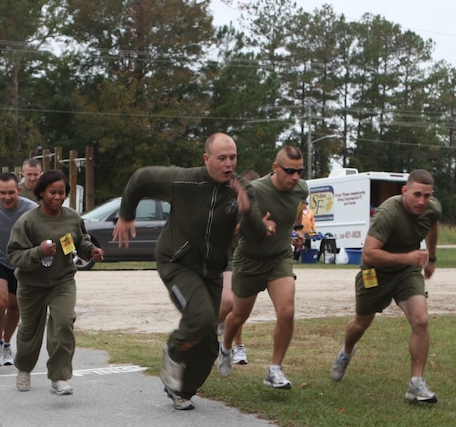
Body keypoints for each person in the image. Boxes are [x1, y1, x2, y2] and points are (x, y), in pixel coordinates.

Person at [112, 132, 261, 410]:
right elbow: (141, 178)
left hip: (211, 271)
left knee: (207, 344)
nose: (229, 163)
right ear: (206, 159)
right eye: (221, 158)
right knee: (201, 316)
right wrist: (126, 214)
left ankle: (181, 389)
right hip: (177, 262)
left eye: (233, 157)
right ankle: (173, 350)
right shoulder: (183, 180)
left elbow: (255, 236)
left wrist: (248, 211)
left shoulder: (242, 190)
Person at [329, 169, 442, 403]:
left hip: (407, 273)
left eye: (427, 196)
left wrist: (430, 257)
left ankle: (416, 384)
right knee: (361, 323)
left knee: (420, 320)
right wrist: (408, 258)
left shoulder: (432, 207)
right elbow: (369, 254)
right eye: (417, 195)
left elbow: (433, 224)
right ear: (405, 191)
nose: (422, 201)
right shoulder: (388, 213)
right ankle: (346, 352)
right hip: (376, 273)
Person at [218, 146, 309, 389]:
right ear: (275, 168)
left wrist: (298, 229)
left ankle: (274, 369)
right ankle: (226, 347)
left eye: (300, 171)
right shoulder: (254, 191)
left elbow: (299, 207)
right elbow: (232, 227)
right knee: (238, 315)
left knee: (287, 311)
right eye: (290, 171)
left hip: (279, 257)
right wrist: (257, 224)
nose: (296, 177)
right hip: (249, 259)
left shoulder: (301, 188)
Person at [8, 169, 103, 394]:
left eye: (62, 193)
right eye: (53, 192)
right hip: (32, 285)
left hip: (63, 281)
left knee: (63, 324)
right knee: (30, 331)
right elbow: (14, 255)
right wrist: (38, 252)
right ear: (41, 192)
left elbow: (81, 243)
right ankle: (24, 368)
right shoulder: (27, 221)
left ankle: (59, 377)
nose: (58, 197)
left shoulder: (72, 218)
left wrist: (92, 251)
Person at [0, 172, 35, 365]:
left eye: (11, 193)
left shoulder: (30, 208)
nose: (7, 197)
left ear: (19, 191)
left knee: (14, 307)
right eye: (2, 193)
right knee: (0, 302)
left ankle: (6, 345)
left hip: (20, 262)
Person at [216, 169, 259, 366]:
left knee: (238, 305)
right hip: (226, 256)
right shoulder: (230, 203)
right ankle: (209, 332)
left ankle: (238, 346)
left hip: (245, 256)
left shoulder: (257, 203)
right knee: (230, 303)